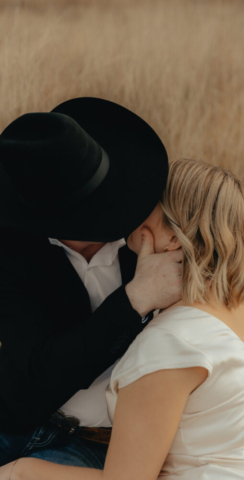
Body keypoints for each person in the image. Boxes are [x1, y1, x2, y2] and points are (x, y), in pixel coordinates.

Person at [0, 159, 244, 480]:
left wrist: (21, 472)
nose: (129, 206)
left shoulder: (169, 341)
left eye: (146, 203)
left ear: (175, 238)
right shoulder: (240, 303)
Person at [0, 98, 182, 469]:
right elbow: (40, 373)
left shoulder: (153, 238)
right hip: (17, 418)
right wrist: (136, 298)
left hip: (100, 442)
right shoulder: (13, 245)